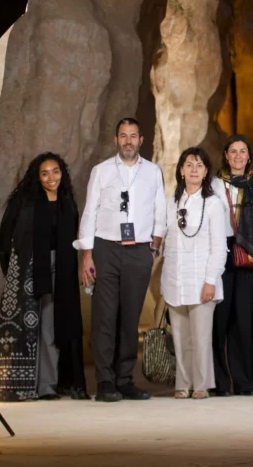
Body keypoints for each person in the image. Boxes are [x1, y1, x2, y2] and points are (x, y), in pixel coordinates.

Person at [76, 116, 166, 402]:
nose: (128, 141)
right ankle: (105, 381)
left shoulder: (153, 172)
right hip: (106, 248)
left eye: (133, 136)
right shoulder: (101, 171)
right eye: (123, 136)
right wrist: (87, 254)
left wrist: (154, 247)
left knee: (130, 317)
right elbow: (90, 211)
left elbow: (160, 210)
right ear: (116, 140)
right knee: (105, 316)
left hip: (139, 249)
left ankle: (124, 379)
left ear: (141, 140)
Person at [0, 153, 88, 402]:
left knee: (51, 328)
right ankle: (20, 385)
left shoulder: (67, 203)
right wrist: (14, 273)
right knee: (27, 329)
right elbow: (5, 239)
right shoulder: (24, 202)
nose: (51, 177)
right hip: (29, 270)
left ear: (62, 174)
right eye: (45, 173)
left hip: (60, 271)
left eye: (56, 171)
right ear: (37, 176)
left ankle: (47, 386)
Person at [160, 147, 227, 399]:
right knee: (180, 338)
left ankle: (201, 385)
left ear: (206, 171)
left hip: (201, 281)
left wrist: (210, 281)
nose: (194, 170)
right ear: (181, 170)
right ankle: (182, 384)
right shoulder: (172, 202)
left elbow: (219, 248)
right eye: (189, 165)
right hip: (175, 280)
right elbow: (166, 240)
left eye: (199, 165)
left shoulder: (213, 204)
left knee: (201, 338)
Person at [211, 134, 253, 395]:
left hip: (247, 253)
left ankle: (244, 382)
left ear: (249, 156)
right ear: (226, 155)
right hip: (220, 251)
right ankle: (220, 382)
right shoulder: (214, 184)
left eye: (243, 151)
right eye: (233, 151)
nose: (238, 156)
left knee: (244, 319)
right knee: (220, 320)